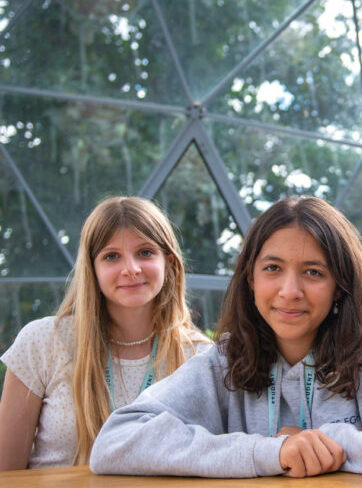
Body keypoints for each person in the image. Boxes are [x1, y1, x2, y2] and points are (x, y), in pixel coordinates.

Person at [90, 196, 362, 479]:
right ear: (250, 278)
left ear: (339, 287)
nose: (290, 291)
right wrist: (271, 451)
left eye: (313, 272)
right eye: (273, 268)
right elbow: (115, 442)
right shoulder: (222, 362)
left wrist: (320, 442)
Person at [0, 196, 211, 470]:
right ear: (92, 269)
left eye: (145, 252)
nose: (131, 269)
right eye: (111, 256)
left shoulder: (200, 357)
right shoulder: (42, 341)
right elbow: (5, 472)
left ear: (168, 263)